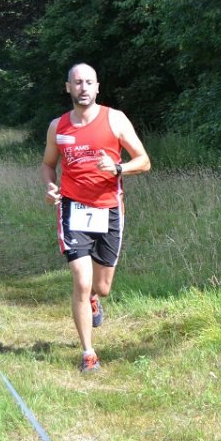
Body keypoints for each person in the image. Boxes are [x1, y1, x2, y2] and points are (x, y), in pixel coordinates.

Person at [40, 63, 151, 372]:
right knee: (81, 279)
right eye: (78, 82)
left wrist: (118, 168)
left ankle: (94, 298)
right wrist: (50, 187)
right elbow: (48, 164)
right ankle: (88, 354)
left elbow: (144, 161)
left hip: (109, 209)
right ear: (68, 87)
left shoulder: (115, 119)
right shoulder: (58, 126)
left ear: (98, 87)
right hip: (73, 208)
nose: (83, 88)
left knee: (101, 287)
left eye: (89, 82)